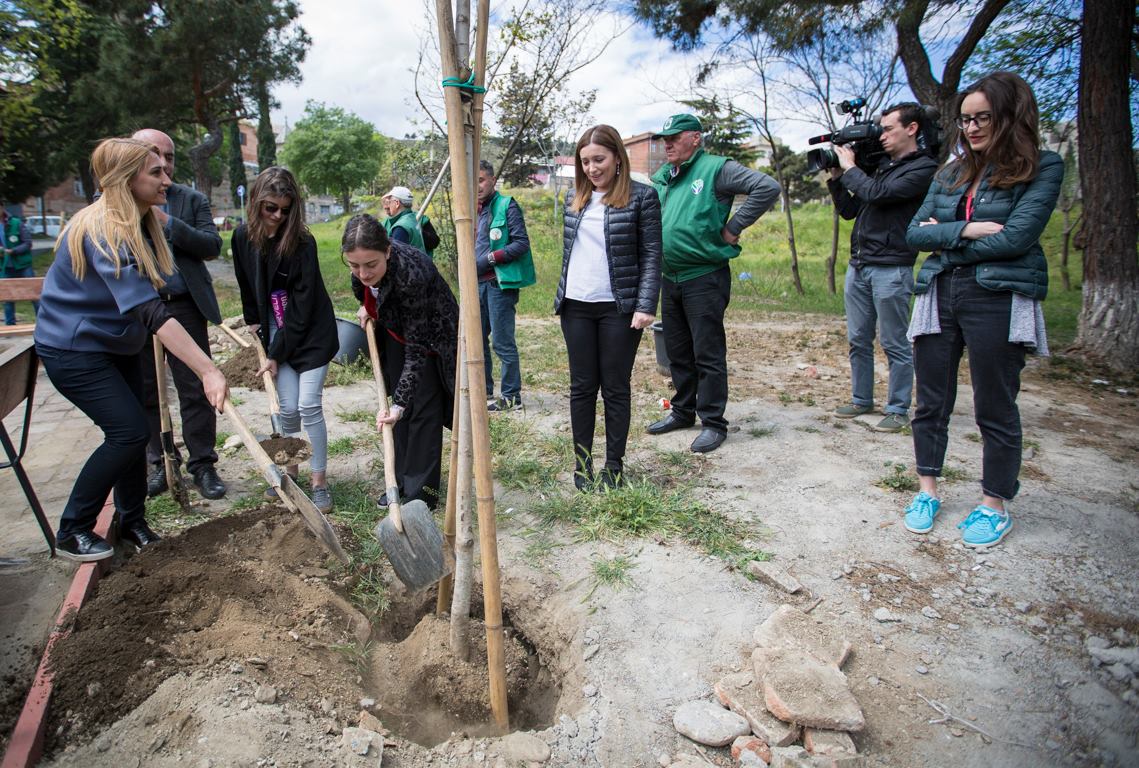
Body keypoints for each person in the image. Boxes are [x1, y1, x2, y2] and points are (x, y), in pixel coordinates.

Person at [33, 137, 228, 561]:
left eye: (165, 169)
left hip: (114, 343)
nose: (166, 179)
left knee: (134, 431)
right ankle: (72, 530)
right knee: (128, 432)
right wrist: (208, 370)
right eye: (155, 172)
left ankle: (132, 521)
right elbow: (150, 310)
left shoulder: (141, 220)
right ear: (126, 180)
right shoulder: (103, 229)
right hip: (75, 349)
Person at [903, 72, 1063, 548]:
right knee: (931, 400)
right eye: (965, 120)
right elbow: (913, 234)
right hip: (939, 292)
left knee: (994, 403)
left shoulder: (1042, 167)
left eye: (983, 118)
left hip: (997, 295)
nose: (971, 128)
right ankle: (926, 491)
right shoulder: (950, 172)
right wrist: (968, 230)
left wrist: (944, 236)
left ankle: (994, 503)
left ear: (1010, 117)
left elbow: (1017, 239)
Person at [647, 114, 781, 453]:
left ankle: (713, 422)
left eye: (675, 137)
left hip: (704, 276)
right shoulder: (665, 176)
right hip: (670, 276)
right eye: (665, 138)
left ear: (695, 137)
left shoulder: (716, 169)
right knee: (677, 351)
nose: (668, 143)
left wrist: (733, 227)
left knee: (707, 352)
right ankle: (682, 411)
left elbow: (767, 187)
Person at [556, 124, 662, 490]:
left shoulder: (643, 197)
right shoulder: (574, 198)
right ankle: (582, 465)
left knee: (615, 387)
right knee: (582, 387)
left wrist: (645, 304)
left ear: (618, 157)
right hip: (576, 305)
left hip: (619, 307)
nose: (592, 168)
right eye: (585, 161)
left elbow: (652, 254)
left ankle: (613, 466)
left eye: (598, 159)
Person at [232, 167, 338, 513]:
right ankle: (291, 475)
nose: (278, 215)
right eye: (271, 208)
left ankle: (319, 482)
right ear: (256, 203)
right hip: (276, 329)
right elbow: (246, 284)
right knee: (287, 408)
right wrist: (255, 324)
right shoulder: (242, 237)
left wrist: (276, 353)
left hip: (311, 332)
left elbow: (302, 310)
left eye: (285, 209)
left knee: (308, 405)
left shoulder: (303, 243)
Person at [827, 104, 938, 432]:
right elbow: (850, 210)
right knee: (858, 339)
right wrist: (838, 178)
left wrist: (851, 167)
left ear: (912, 129)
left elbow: (878, 194)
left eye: (888, 129)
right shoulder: (880, 167)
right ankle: (861, 399)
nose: (882, 136)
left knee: (893, 341)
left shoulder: (922, 168)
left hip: (892, 267)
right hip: (859, 265)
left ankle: (898, 408)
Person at [131, 129, 227, 500]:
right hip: (137, 308)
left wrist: (168, 223)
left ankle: (203, 464)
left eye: (169, 156)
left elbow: (211, 245)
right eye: (155, 155)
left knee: (195, 387)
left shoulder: (190, 199)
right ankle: (161, 462)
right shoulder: (119, 202)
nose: (164, 163)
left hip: (183, 304)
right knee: (146, 389)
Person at [342, 214, 458, 510]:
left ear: (388, 251)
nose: (363, 273)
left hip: (431, 338)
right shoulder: (361, 267)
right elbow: (369, 290)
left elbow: (417, 348)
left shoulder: (411, 273)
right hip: (396, 330)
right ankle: (400, 482)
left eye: (371, 265)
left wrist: (400, 404)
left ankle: (422, 495)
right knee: (399, 408)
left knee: (422, 409)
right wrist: (368, 306)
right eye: (354, 265)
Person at [476, 159, 535, 412]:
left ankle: (511, 397)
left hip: (498, 285)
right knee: (477, 341)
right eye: (472, 181)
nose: (477, 186)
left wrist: (489, 259)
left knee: (502, 342)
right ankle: (484, 390)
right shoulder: (470, 210)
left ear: (492, 180)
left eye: (480, 180)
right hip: (475, 285)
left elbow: (521, 243)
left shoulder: (506, 205)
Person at [2, 204, 38, 325]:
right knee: (7, 297)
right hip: (5, 266)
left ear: (2, 207)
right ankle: (10, 325)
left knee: (34, 294)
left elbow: (27, 243)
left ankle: (43, 322)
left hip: (23, 265)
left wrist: (13, 251)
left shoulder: (16, 223)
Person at [381, 186, 426, 251]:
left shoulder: (400, 227)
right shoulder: (412, 218)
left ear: (397, 203)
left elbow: (396, 254)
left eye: (390, 202)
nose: (389, 205)